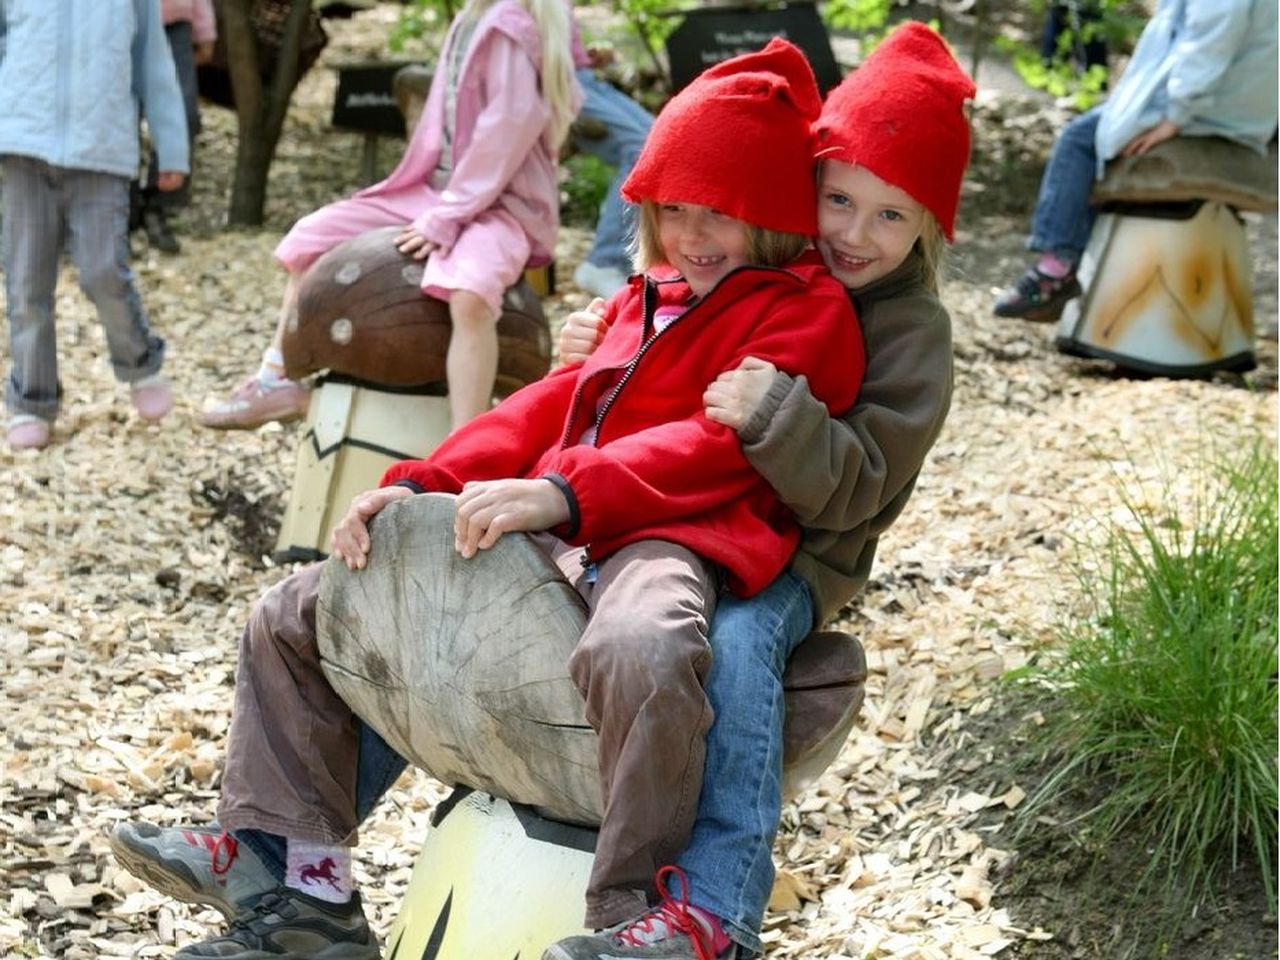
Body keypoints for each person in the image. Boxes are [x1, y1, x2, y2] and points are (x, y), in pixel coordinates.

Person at [109, 38, 864, 960]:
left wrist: (561, 492)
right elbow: (550, 401)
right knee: (298, 609)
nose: (694, 234)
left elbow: (718, 451)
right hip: (565, 513)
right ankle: (295, 869)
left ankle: (645, 915)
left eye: (724, 214)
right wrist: (420, 483)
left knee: (643, 645)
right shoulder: (648, 296)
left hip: (674, 532)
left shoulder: (804, 310)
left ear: (777, 216)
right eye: (674, 210)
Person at [544, 22, 974, 959]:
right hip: (691, 518)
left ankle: (714, 912)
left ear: (930, 231)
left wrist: (780, 414)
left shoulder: (914, 337)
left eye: (893, 216)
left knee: (737, 647)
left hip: (803, 554)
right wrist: (598, 349)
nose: (858, 233)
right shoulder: (769, 265)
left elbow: (858, 489)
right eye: (840, 199)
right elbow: (659, 340)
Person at [198, 0, 580, 433]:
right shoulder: (472, 17)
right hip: (438, 194)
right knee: (312, 237)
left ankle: (465, 446)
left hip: (497, 207)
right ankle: (275, 378)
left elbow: (511, 125)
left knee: (469, 294)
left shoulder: (512, 21)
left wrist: (448, 217)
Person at [994, 0, 1278, 321]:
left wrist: (1177, 115)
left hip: (1208, 108)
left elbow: (1208, 42)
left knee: (1078, 140)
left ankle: (1056, 267)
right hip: (1246, 109)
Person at [0, 0, 189, 452]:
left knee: (103, 270)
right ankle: (32, 399)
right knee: (27, 283)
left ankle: (140, 363)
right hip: (23, 144)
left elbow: (153, 61)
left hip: (102, 149)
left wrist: (172, 145)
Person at [570, 34, 654, 300]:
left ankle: (635, 264)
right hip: (559, 84)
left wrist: (584, 55)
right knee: (641, 149)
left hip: (585, 79)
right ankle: (604, 263)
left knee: (662, 140)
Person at [134, 0, 217, 255]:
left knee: (185, 115)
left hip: (174, 25)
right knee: (122, 117)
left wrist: (205, 30)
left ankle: (158, 207)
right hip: (121, 22)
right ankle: (124, 210)